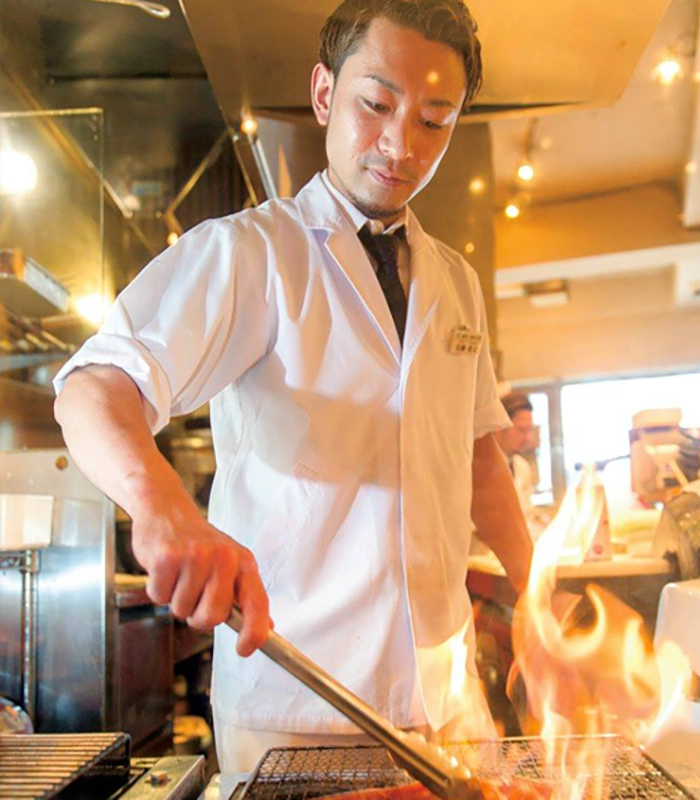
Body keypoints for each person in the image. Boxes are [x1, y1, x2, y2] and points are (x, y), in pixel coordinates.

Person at [53, 0, 531, 771]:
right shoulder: (251, 254)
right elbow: (92, 388)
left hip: (448, 706)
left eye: (435, 120)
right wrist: (162, 506)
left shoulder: (456, 280)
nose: (399, 144)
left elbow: (478, 458)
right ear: (323, 95)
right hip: (303, 707)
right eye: (375, 104)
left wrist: (540, 596)